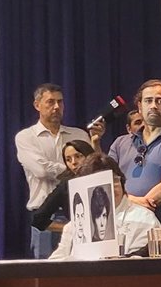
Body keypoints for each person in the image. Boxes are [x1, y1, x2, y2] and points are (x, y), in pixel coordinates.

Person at [14, 83, 105, 258]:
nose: (56, 107)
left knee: (82, 268)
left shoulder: (79, 135)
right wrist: (77, 169)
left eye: (60, 102)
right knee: (48, 273)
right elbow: (41, 170)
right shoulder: (26, 137)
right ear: (37, 105)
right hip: (47, 217)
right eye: (50, 102)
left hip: (80, 213)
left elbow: (95, 170)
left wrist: (96, 143)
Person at [108, 79, 161, 224]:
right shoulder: (120, 143)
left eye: (160, 101)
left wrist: (135, 206)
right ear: (140, 107)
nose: (153, 106)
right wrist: (133, 204)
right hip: (122, 223)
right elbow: (107, 183)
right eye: (148, 101)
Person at [52, 153, 161, 259]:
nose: (108, 189)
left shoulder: (144, 219)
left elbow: (142, 264)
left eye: (114, 181)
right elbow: (54, 264)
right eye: (99, 184)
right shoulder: (74, 226)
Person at [31, 139, 96, 232]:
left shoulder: (107, 178)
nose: (73, 162)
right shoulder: (66, 185)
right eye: (68, 160)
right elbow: (38, 219)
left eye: (78, 156)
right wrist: (72, 229)